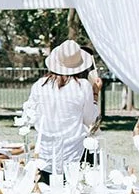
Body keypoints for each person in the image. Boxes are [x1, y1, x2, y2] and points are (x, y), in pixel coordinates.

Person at [23, 40, 101, 178]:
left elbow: (30, 115)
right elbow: (90, 119)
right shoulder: (83, 86)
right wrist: (95, 94)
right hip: (75, 153)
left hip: (45, 153)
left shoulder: (39, 85)